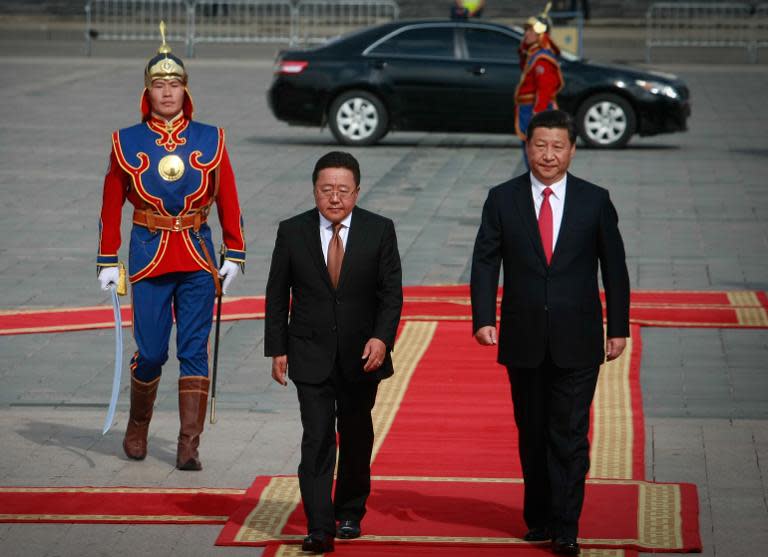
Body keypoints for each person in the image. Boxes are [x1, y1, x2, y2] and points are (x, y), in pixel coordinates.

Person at [470, 110, 630, 555]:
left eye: (558, 146)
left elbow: (613, 268)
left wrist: (618, 326)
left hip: (578, 338)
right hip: (523, 336)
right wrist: (484, 316)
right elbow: (485, 260)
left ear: (573, 150)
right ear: (528, 146)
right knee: (533, 430)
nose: (548, 155)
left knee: (570, 432)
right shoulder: (502, 198)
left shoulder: (594, 200)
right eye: (540, 145)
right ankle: (538, 515)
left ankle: (566, 524)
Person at [96, 23, 246, 471]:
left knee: (194, 349)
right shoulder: (126, 140)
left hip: (198, 254)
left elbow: (229, 197)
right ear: (147, 91)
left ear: (186, 91)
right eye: (159, 85)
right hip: (149, 254)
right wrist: (107, 257)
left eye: (175, 85)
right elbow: (109, 203)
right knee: (154, 350)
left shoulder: (210, 137)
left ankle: (188, 444)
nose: (167, 93)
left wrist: (235, 250)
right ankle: (138, 424)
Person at [264, 151, 403, 554]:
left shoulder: (380, 230)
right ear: (315, 191)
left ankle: (349, 511)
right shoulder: (293, 232)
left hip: (363, 355)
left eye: (343, 190)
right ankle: (319, 525)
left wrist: (381, 338)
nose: (335, 198)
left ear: (357, 192)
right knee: (318, 437)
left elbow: (391, 293)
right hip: (309, 352)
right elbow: (277, 293)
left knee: (356, 434)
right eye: (327, 190)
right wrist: (277, 348)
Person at [515, 3, 564, 168]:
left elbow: (544, 90)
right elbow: (523, 64)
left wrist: (538, 116)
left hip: (535, 110)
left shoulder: (542, 58)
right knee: (529, 151)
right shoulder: (533, 54)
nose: (526, 34)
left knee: (536, 155)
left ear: (540, 34)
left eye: (530, 31)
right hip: (526, 109)